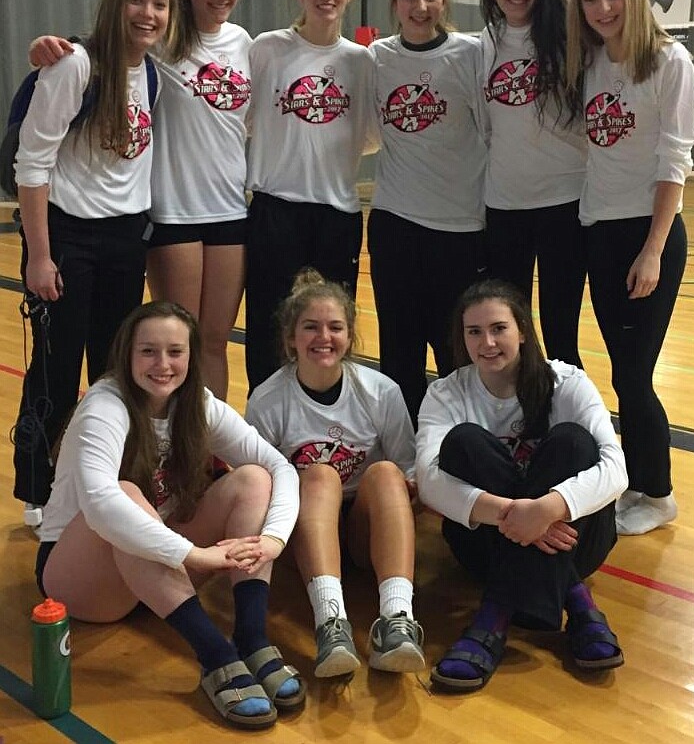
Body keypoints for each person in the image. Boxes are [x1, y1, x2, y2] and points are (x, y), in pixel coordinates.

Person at [36, 301, 305, 729]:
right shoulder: (105, 405)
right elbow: (102, 504)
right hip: (82, 577)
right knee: (124, 495)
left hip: (160, 571)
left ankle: (252, 638)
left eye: (175, 352)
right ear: (127, 354)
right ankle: (216, 656)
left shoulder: (198, 403)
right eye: (148, 351)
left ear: (191, 356)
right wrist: (193, 556)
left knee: (252, 478)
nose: (162, 364)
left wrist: (274, 538)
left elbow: (280, 467)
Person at [28, 0, 251, 404]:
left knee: (201, 345)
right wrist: (48, 47)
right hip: (159, 215)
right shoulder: (156, 48)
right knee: (162, 349)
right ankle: (56, 475)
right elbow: (97, 52)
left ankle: (202, 452)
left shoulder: (241, 44)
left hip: (211, 213)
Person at [12, 0, 178, 524]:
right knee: (55, 373)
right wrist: (38, 254)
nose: (148, 13)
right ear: (116, 3)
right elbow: (30, 165)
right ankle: (38, 489)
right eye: (138, 0)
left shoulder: (152, 73)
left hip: (124, 240)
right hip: (67, 238)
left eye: (159, 4)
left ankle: (101, 481)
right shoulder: (76, 66)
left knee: (114, 372)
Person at [416, 279, 627, 692]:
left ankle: (493, 614)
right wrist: (516, 517)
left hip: (576, 541)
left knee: (571, 440)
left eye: (499, 328)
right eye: (474, 331)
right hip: (489, 543)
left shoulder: (566, 383)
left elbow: (617, 469)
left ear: (523, 332)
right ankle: (578, 603)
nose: (487, 342)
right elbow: (428, 481)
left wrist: (547, 510)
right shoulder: (445, 393)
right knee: (464, 441)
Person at [566, 0, 694, 535]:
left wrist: (652, 248)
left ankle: (658, 490)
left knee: (634, 374)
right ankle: (636, 480)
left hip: (649, 237)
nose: (603, 7)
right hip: (599, 229)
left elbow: (676, 162)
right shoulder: (591, 63)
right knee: (622, 364)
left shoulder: (670, 62)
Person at [245, 270, 424, 678]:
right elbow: (257, 483)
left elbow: (408, 465)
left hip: (362, 532)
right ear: (291, 338)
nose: (323, 337)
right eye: (310, 327)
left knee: (384, 472)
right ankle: (331, 621)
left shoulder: (380, 391)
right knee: (320, 476)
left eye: (335, 327)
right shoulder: (269, 399)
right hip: (301, 530)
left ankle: (397, 618)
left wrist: (411, 489)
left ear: (349, 336)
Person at [244, 0, 377, 392]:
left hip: (336, 214)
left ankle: (322, 431)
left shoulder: (362, 62)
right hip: (275, 208)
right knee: (269, 330)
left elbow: (372, 135)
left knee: (329, 334)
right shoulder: (267, 49)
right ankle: (265, 438)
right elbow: (240, 118)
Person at [367, 0, 487, 427]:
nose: (421, 5)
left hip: (459, 227)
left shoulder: (471, 54)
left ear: (445, 0)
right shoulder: (376, 58)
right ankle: (405, 455)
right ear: (395, 2)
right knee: (399, 347)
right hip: (396, 224)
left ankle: (458, 445)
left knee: (455, 349)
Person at [478, 0, 586, 367]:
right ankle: (516, 427)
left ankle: (565, 428)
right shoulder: (481, 45)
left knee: (561, 333)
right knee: (510, 336)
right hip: (504, 207)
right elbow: (483, 127)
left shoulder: (571, 39)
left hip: (564, 204)